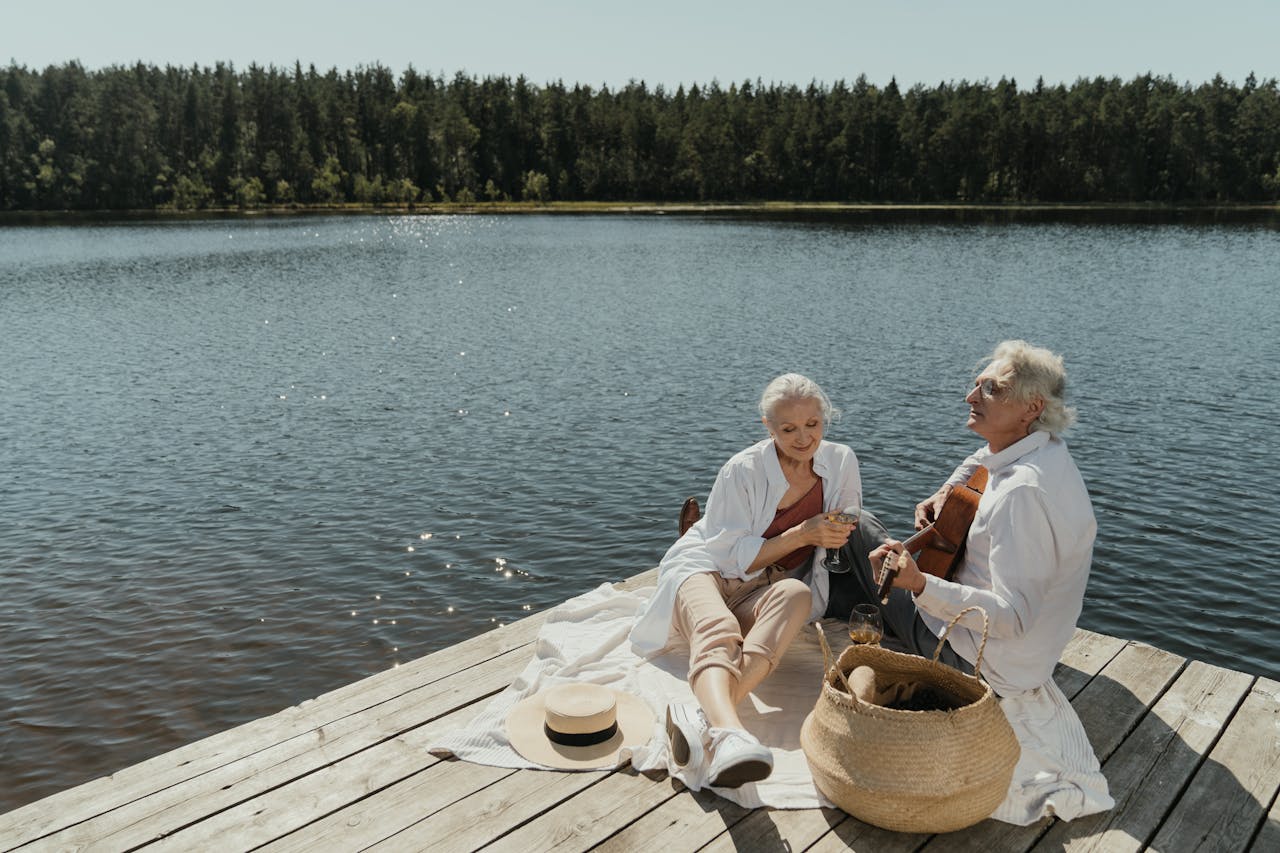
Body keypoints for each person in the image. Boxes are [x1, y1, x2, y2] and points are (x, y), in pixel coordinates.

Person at [829, 339, 1112, 822]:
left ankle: (801, 593)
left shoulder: (1023, 495)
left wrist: (920, 584)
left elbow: (1014, 617)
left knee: (856, 525)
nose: (970, 396)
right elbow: (981, 460)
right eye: (977, 384)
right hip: (1028, 660)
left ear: (1032, 407)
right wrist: (943, 492)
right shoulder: (1044, 454)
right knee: (874, 562)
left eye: (991, 388)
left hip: (980, 663)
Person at [628, 373, 861, 788]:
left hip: (763, 583)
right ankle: (730, 730)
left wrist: (839, 528)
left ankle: (707, 720)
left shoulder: (840, 461)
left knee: (796, 594)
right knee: (719, 629)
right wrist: (804, 533)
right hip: (705, 569)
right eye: (788, 428)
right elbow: (727, 554)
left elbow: (847, 516)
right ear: (768, 428)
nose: (804, 438)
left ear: (825, 420)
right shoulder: (742, 470)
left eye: (813, 425)